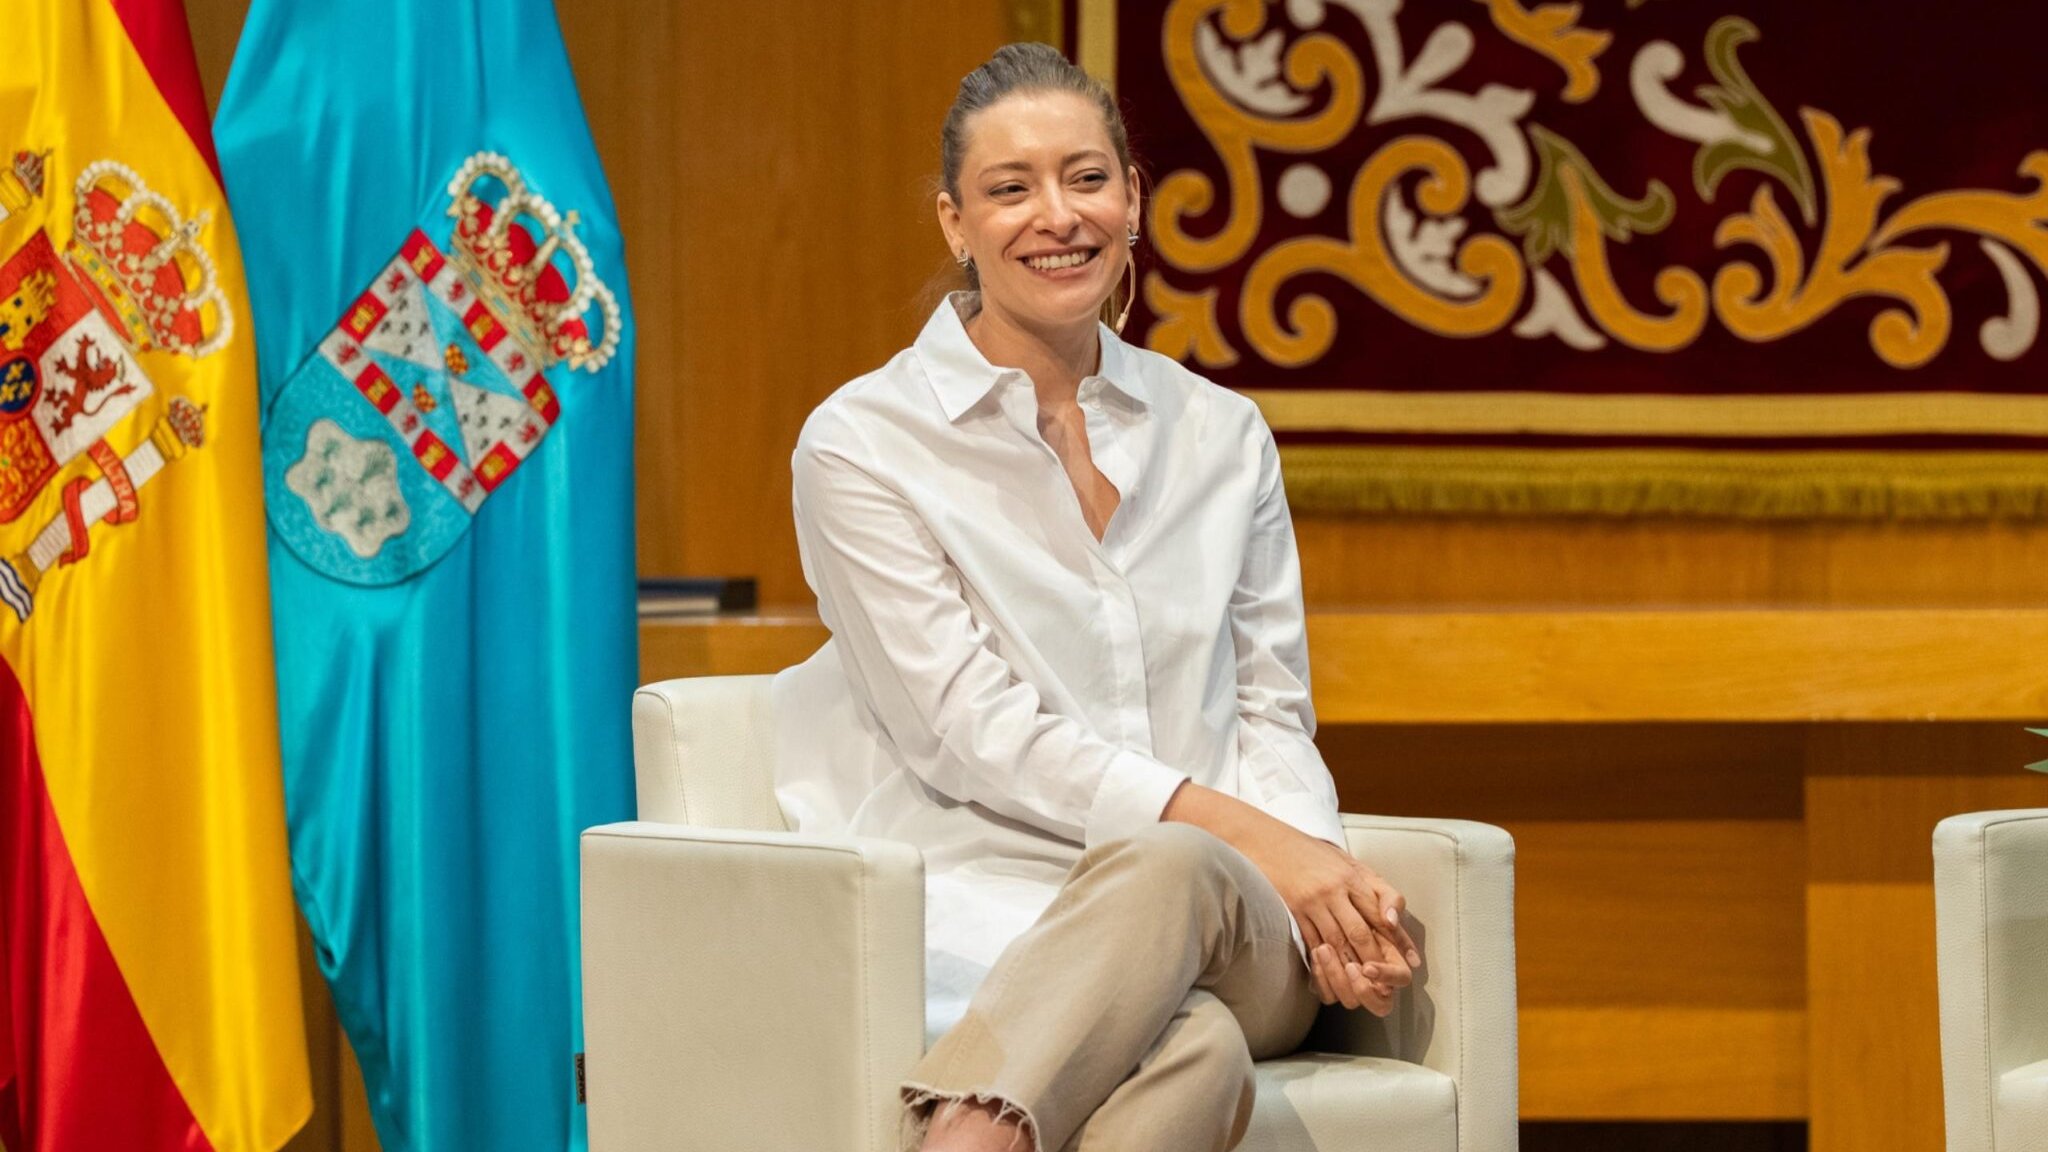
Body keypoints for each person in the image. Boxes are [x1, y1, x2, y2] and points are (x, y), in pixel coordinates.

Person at [773, 42, 1422, 1152]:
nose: (1057, 216)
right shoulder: (863, 444)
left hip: (1229, 920)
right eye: (1009, 188)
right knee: (1195, 1048)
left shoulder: (1220, 433)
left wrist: (1313, 879)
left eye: (1085, 178)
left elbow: (1270, 712)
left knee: (1175, 870)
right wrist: (1237, 831)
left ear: (1133, 200)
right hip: (994, 917)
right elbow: (969, 731)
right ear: (955, 223)